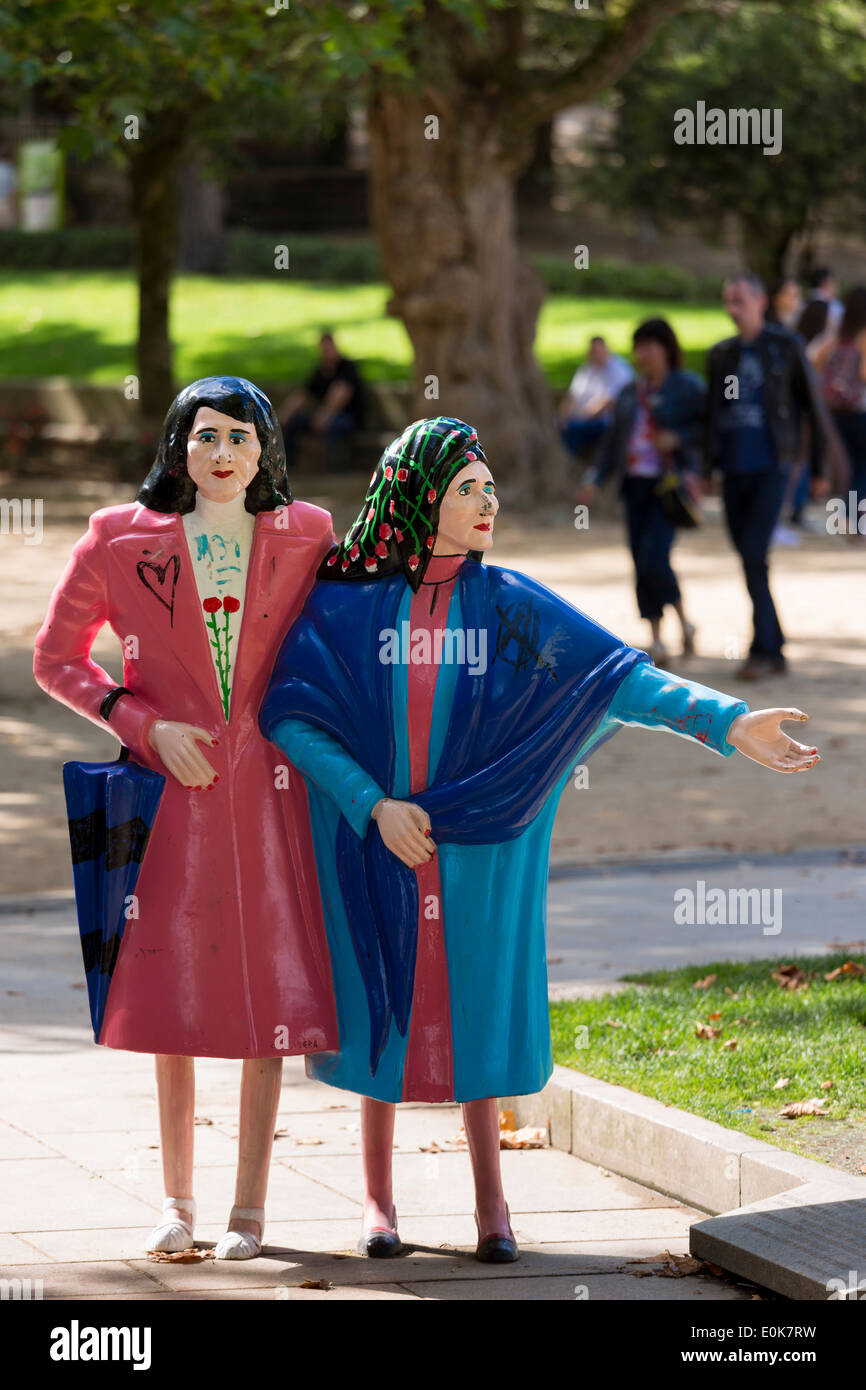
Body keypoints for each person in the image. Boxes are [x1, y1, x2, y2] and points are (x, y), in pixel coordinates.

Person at [259, 415, 819, 1263]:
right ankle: (378, 1200)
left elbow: (621, 679)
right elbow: (292, 718)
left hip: (482, 842)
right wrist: (371, 804)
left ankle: (493, 1201)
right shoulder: (345, 609)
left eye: (489, 487)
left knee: (475, 1000)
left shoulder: (510, 606)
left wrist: (728, 721)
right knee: (381, 998)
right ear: (419, 499)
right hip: (372, 838)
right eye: (467, 490)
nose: (489, 502)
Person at [34, 377, 339, 1261]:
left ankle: (251, 1209)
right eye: (205, 437)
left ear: (264, 450)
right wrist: (141, 724)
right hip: (170, 798)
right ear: (177, 446)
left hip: (274, 793)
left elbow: (349, 637)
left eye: (240, 439)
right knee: (174, 990)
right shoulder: (119, 538)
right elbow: (57, 660)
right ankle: (177, 1200)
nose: (222, 455)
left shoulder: (308, 534)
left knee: (266, 991)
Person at [705, 274, 828, 679]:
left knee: (755, 554)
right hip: (734, 468)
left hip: (773, 466)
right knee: (750, 558)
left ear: (760, 302)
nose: (732, 309)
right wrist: (708, 467)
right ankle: (775, 646)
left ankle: (762, 649)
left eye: (739, 300)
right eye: (727, 301)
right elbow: (713, 414)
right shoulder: (722, 354)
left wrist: (820, 470)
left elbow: (812, 406)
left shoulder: (784, 347)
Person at [578, 319, 703, 664]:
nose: (642, 353)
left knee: (655, 556)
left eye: (650, 345)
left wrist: (678, 441)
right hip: (634, 485)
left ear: (666, 348)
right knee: (639, 558)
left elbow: (707, 432)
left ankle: (682, 619)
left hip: (667, 486)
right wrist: (594, 478)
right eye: (639, 346)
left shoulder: (688, 388)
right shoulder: (630, 393)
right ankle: (657, 636)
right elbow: (611, 443)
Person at [813, 285, 866, 536]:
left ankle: (844, 517)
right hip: (859, 409)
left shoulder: (837, 337)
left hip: (835, 410)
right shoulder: (863, 337)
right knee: (861, 468)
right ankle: (853, 519)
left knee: (848, 467)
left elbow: (814, 360)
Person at [278, 330, 366, 470]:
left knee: (334, 427)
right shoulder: (321, 371)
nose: (326, 353)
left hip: (349, 418)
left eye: (328, 348)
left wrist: (324, 416)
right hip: (323, 417)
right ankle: (289, 467)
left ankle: (334, 470)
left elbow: (340, 394)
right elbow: (303, 394)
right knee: (294, 422)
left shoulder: (347, 368)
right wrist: (284, 414)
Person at [558, 336, 633, 460]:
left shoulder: (619, 370)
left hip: (607, 422)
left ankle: (568, 463)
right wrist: (563, 417)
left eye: (597, 351)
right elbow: (572, 397)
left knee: (574, 428)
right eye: (592, 352)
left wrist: (581, 417)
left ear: (606, 350)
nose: (594, 355)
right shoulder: (586, 370)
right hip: (582, 418)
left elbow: (608, 402)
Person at [807, 266, 844, 333]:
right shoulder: (822, 301)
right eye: (833, 282)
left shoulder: (833, 302)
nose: (836, 285)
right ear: (824, 283)